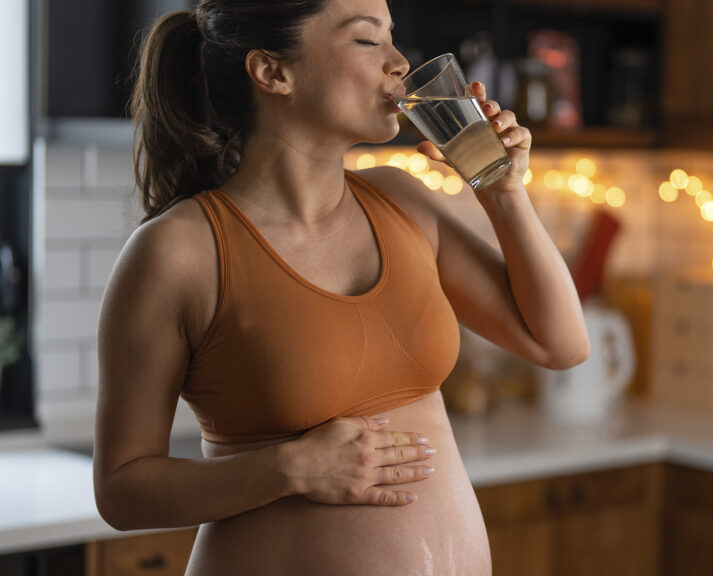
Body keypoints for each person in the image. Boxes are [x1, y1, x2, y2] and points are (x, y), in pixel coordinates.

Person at [93, 0, 589, 574]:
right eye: (366, 40)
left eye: (393, 37)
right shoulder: (178, 251)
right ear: (273, 72)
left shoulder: (403, 201)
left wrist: (504, 194)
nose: (399, 62)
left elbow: (560, 344)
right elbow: (121, 490)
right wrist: (288, 470)